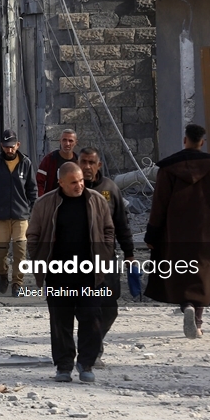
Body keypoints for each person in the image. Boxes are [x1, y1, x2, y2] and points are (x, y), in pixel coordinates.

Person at [144, 124, 210, 339]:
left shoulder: (168, 170)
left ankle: (186, 306)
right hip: (208, 234)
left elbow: (159, 205)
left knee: (182, 273)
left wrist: (152, 234)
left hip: (175, 233)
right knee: (203, 276)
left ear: (185, 140)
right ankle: (198, 321)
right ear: (201, 142)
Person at [26, 162, 114, 383]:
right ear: (61, 183)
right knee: (60, 321)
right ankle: (64, 366)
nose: (79, 185)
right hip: (59, 274)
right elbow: (33, 235)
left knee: (92, 317)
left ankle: (86, 363)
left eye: (82, 181)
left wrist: (105, 253)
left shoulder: (96, 200)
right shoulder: (45, 204)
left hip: (90, 274)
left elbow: (108, 230)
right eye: (74, 182)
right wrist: (38, 262)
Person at [78, 146, 134, 364]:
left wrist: (129, 253)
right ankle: (91, 351)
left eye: (92, 162)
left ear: (98, 165)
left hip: (106, 259)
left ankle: (93, 342)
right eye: (84, 161)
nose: (87, 167)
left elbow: (122, 223)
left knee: (110, 308)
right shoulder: (71, 188)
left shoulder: (110, 188)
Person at [0, 129, 38, 296]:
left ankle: (17, 283)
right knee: (0, 252)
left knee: (20, 249)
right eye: (6, 147)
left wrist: (35, 210)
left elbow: (32, 189)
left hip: (20, 214)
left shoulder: (26, 163)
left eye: (12, 146)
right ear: (1, 146)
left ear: (17, 145)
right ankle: (3, 275)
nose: (9, 150)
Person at [36, 129, 78, 196]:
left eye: (70, 141)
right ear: (60, 141)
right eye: (64, 140)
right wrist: (41, 200)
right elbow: (39, 182)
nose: (67, 143)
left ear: (76, 142)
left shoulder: (78, 161)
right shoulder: (49, 159)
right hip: (52, 202)